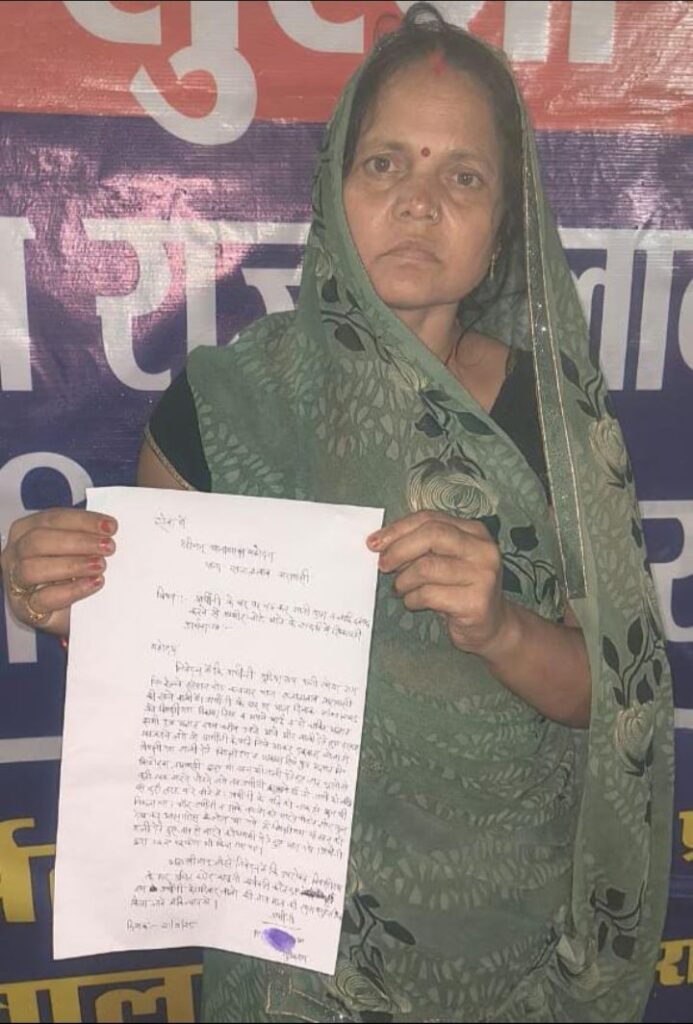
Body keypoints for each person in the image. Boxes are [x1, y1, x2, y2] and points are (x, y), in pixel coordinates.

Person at [1, 5, 673, 1021]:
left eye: (464, 176)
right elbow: (158, 678)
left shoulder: (557, 423)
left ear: (503, 228)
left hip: (509, 952)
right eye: (384, 163)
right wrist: (71, 601)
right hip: (288, 960)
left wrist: (500, 629)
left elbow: (612, 698)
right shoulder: (226, 408)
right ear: (333, 188)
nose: (419, 202)